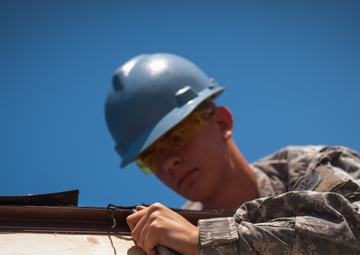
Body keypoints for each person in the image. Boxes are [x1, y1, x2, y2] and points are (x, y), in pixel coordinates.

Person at [105, 53, 360, 255]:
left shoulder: (313, 168)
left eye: (176, 136)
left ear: (222, 123)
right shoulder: (169, 235)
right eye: (149, 158)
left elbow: (354, 228)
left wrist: (204, 241)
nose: (168, 162)